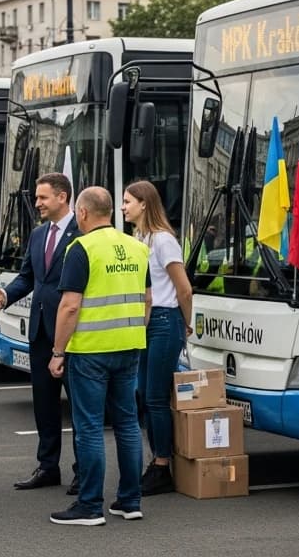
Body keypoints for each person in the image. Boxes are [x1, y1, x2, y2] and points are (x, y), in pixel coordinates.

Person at [48, 187, 151, 526]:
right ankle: (130, 501)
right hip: (129, 346)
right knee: (128, 424)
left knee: (90, 427)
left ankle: (90, 505)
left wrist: (58, 351)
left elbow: (70, 305)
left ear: (82, 212)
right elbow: (148, 300)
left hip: (90, 350)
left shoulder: (81, 248)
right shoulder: (137, 247)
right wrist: (133, 331)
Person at [0, 173, 80, 492]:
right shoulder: (38, 233)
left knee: (79, 406)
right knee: (44, 404)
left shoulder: (82, 232)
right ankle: (47, 467)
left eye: (43, 197)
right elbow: (28, 277)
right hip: (40, 332)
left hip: (72, 333)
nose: (37, 203)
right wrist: (5, 296)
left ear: (62, 197)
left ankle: (83, 470)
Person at [120, 180, 192, 496]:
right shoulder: (139, 238)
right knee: (143, 395)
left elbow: (184, 289)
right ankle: (158, 459)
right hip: (147, 322)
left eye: (127, 201)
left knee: (155, 397)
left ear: (144, 204)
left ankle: (162, 464)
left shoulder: (163, 240)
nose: (123, 207)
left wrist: (186, 323)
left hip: (165, 320)